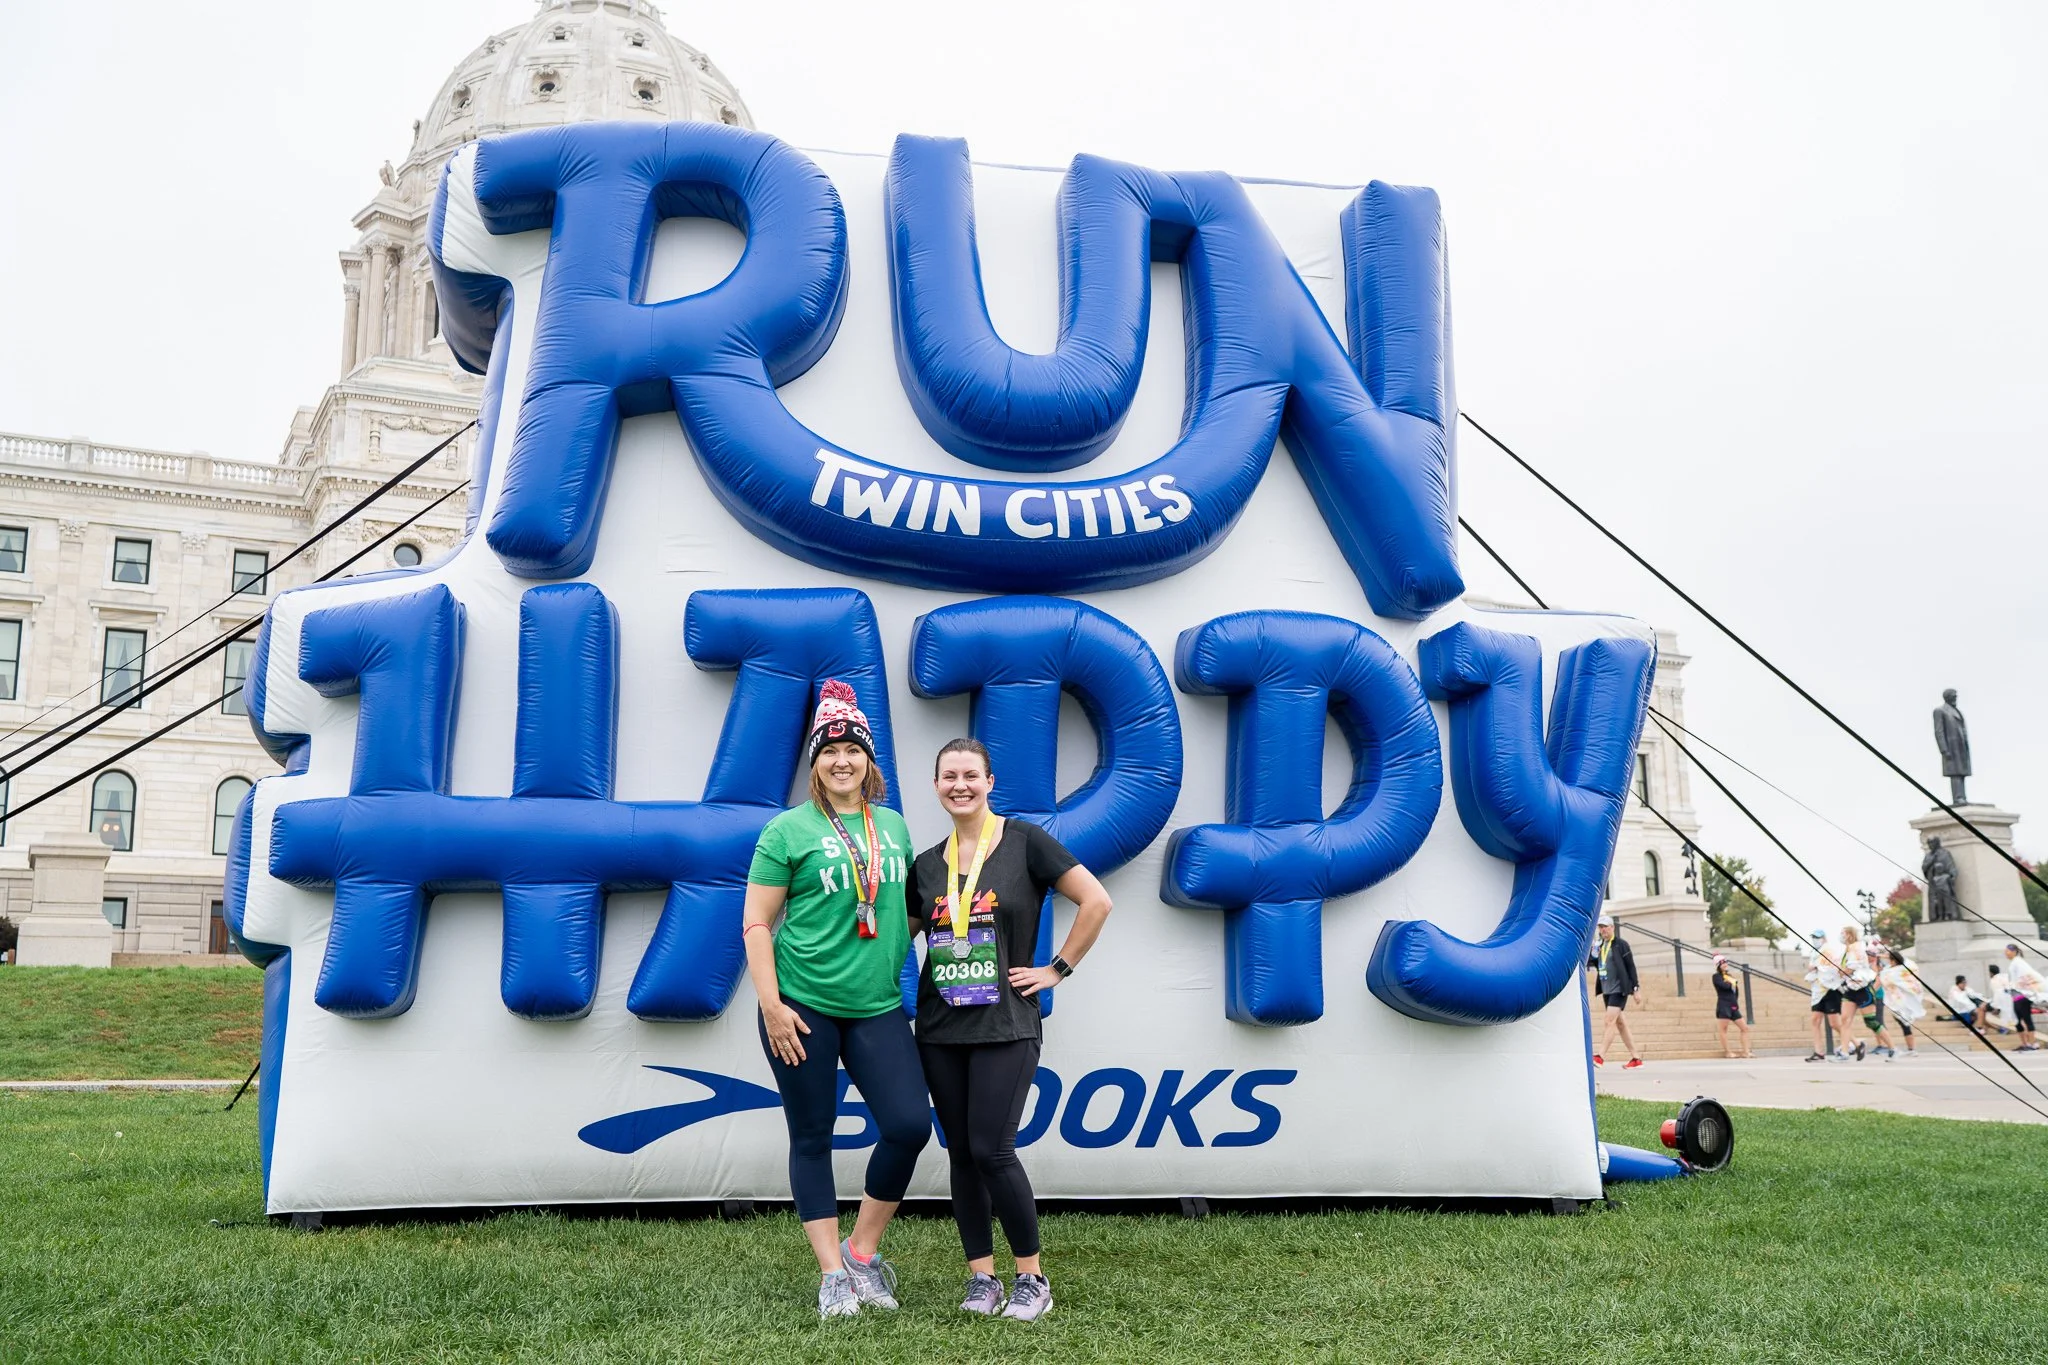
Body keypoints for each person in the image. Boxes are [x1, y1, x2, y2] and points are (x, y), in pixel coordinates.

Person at [741, 679, 930, 1319]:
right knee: (812, 1136)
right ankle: (831, 1277)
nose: (842, 761)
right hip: (801, 1007)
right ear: (815, 762)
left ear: (869, 761)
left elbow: (905, 910)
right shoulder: (786, 831)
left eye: (853, 750)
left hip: (877, 1005)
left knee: (909, 1124)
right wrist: (772, 1005)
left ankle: (861, 1254)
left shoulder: (894, 827)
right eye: (829, 751)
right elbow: (757, 924)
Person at [907, 738, 1113, 1322]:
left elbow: (1096, 901)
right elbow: (899, 937)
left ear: (989, 781)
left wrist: (1057, 969)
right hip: (940, 1028)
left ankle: (1031, 1278)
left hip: (1007, 1024)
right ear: (936, 785)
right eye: (949, 776)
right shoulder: (927, 863)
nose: (960, 786)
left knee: (992, 1150)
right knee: (961, 1155)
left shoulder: (1025, 843)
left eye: (970, 775)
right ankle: (982, 1278)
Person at [1587, 915, 1643, 1067]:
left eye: (1605, 927)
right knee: (1620, 1024)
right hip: (1607, 989)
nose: (1603, 930)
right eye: (1601, 927)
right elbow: (1593, 963)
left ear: (1612, 927)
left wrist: (1636, 988)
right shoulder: (1600, 945)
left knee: (1609, 1021)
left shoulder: (1621, 944)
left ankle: (1600, 1056)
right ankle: (1636, 1058)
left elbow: (1631, 966)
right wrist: (1592, 954)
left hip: (1619, 989)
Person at [1833, 925, 1876, 1060]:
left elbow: (1851, 968)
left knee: (1871, 1022)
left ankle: (1891, 1048)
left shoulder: (1856, 947)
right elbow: (1843, 969)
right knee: (1845, 1020)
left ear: (1850, 935)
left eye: (1843, 933)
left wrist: (1842, 971)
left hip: (1861, 988)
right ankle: (1845, 1052)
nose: (1841, 935)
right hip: (1850, 988)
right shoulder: (1846, 950)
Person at [1803, 929, 1847, 1062]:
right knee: (1815, 1020)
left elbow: (1832, 967)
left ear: (1824, 938)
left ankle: (1853, 1044)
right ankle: (1819, 1052)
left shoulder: (1828, 950)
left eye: (1817, 937)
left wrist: (1816, 966)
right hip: (1818, 990)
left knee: (1834, 1023)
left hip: (1830, 990)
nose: (1815, 940)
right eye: (1813, 937)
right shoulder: (1814, 952)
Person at [1878, 949, 1923, 1057]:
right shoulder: (1903, 968)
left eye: (1889, 960)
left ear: (1893, 961)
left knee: (1905, 1024)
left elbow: (1885, 980)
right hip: (1900, 1000)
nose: (1888, 962)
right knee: (1904, 1024)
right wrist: (1883, 955)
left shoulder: (1894, 971)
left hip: (1901, 1002)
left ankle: (1912, 1048)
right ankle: (1911, 1048)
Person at [2001, 945, 2046, 1051]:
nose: (2005, 953)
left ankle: (2033, 1044)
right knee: (2017, 1022)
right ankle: (2025, 1043)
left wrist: (2018, 986)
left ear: (2014, 951)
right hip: (2016, 996)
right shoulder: (2014, 963)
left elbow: (2026, 976)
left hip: (2023, 996)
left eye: (2007, 951)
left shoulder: (2019, 962)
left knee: (2027, 1019)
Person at [1710, 955, 1752, 1058]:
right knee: (1723, 1029)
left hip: (1733, 1005)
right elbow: (1725, 986)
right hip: (1724, 1005)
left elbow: (1735, 989)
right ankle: (1728, 1052)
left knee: (1745, 1028)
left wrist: (1731, 983)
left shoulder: (1729, 976)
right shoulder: (1716, 976)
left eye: (1725, 962)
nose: (1725, 964)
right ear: (1718, 965)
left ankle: (1746, 1052)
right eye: (1722, 963)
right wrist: (1730, 982)